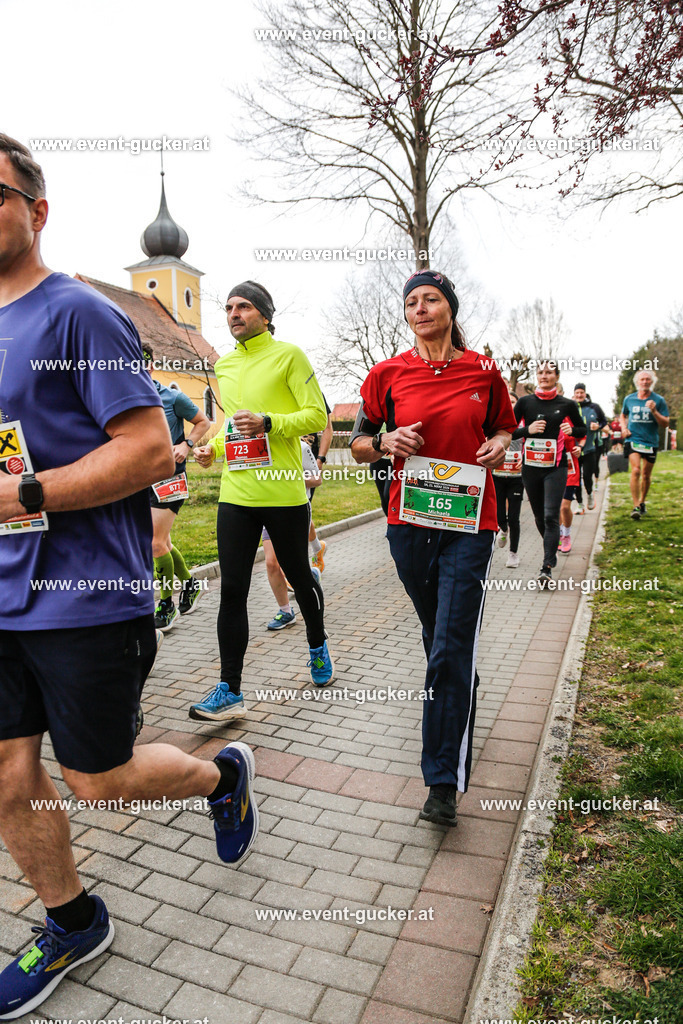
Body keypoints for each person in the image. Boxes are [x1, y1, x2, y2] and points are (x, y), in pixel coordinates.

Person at [0, 136, 258, 1020]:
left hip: (80, 596)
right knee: (6, 772)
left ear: (36, 209)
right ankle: (74, 921)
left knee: (99, 781)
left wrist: (24, 493)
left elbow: (149, 449)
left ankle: (223, 776)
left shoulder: (80, 312)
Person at [351, 269, 516, 827]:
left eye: (432, 299)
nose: (421, 308)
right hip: (410, 523)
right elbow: (357, 444)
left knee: (448, 642)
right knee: (438, 638)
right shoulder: (387, 374)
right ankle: (459, 688)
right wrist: (384, 442)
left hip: (471, 522)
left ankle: (441, 781)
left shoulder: (484, 371)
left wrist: (498, 442)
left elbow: (503, 429)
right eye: (412, 302)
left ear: (450, 308)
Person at [190, 281, 333, 720]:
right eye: (230, 307)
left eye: (245, 306)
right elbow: (227, 422)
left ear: (265, 315)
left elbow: (316, 415)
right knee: (232, 589)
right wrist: (209, 448)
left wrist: (270, 422)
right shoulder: (225, 365)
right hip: (237, 492)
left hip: (283, 491)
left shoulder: (289, 355)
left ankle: (317, 641)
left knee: (299, 577)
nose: (234, 313)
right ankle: (229, 688)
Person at [144, 344, 211, 631]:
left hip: (171, 477)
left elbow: (203, 421)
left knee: (156, 543)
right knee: (164, 542)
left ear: (152, 364)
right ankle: (190, 584)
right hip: (141, 479)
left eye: (145, 362)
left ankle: (166, 605)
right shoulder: (129, 398)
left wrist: (187, 444)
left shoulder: (171, 396)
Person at [513, 362, 586, 586]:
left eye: (549, 373)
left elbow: (583, 429)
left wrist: (571, 430)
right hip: (531, 468)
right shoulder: (525, 402)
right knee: (538, 516)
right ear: (537, 376)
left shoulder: (567, 404)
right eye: (541, 372)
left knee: (550, 515)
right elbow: (507, 430)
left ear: (556, 376)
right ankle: (551, 545)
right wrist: (528, 430)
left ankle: (546, 567)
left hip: (556, 467)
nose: (544, 376)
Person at [265, 438, 322, 630]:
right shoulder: (261, 445)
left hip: (295, 508)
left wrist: (290, 477)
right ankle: (286, 611)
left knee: (297, 566)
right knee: (271, 563)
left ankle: (311, 575)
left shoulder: (302, 446)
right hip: (266, 506)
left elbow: (317, 479)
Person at [620, 369, 669, 519]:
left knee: (646, 475)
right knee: (635, 471)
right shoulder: (629, 399)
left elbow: (665, 423)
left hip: (650, 441)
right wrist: (624, 428)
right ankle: (635, 506)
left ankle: (642, 502)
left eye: (648, 379)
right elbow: (623, 415)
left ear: (652, 382)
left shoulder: (658, 400)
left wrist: (654, 411)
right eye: (642, 379)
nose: (645, 382)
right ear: (637, 382)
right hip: (633, 439)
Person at [493, 391, 523, 568]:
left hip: (516, 477)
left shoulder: (523, 424)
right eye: (509, 401)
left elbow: (532, 444)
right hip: (497, 475)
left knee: (514, 517)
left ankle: (513, 554)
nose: (511, 405)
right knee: (499, 516)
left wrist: (524, 458)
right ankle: (502, 529)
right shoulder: (495, 421)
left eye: (514, 402)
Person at [304, 395, 333, 571]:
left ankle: (296, 573)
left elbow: (327, 428)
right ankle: (317, 547)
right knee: (299, 513)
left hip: (306, 461)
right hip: (284, 460)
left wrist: (320, 459)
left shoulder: (313, 392)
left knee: (300, 510)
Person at [572, 384, 607, 510]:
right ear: (574, 394)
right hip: (574, 450)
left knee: (587, 476)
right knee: (575, 479)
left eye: (582, 392)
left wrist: (598, 426)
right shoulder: (571, 407)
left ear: (585, 394)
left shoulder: (594, 407)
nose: (579, 395)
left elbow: (604, 421)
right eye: (577, 392)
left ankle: (589, 494)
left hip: (589, 449)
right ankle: (580, 504)